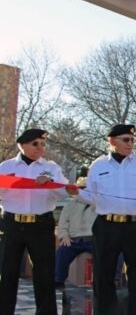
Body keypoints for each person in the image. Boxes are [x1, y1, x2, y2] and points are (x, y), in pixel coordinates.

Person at [79, 124, 136, 315]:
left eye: (132, 140)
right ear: (111, 141)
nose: (130, 143)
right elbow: (91, 195)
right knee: (103, 275)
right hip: (107, 225)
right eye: (126, 139)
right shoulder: (98, 165)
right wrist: (76, 192)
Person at [0, 128, 70, 314]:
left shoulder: (51, 168)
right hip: (12, 223)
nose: (40, 147)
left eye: (43, 144)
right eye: (35, 144)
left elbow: (66, 191)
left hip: (41, 224)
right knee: (7, 272)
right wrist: (8, 183)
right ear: (21, 145)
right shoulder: (6, 167)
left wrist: (50, 183)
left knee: (44, 273)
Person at [54, 176, 98, 289]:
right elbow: (63, 223)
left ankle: (101, 282)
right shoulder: (69, 205)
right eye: (81, 188)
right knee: (62, 253)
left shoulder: (97, 204)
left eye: (86, 189)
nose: (83, 191)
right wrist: (64, 236)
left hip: (93, 239)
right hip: (74, 240)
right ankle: (58, 281)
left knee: (104, 255)